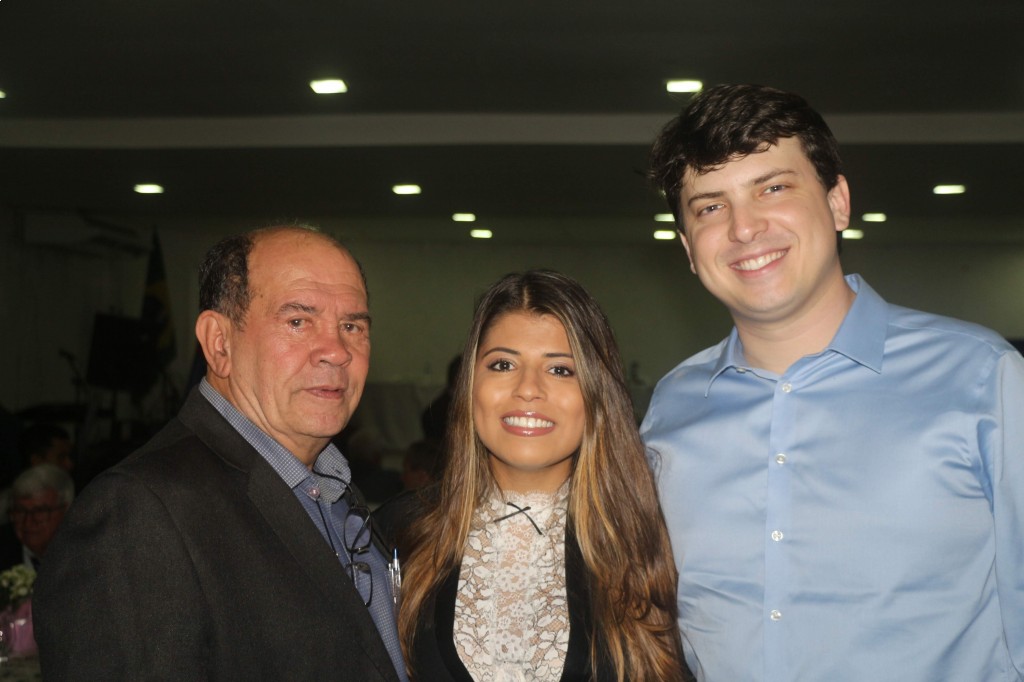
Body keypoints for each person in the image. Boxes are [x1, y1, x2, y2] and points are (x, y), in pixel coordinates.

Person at [642, 83, 1024, 680]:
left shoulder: (981, 378)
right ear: (690, 249)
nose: (745, 228)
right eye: (710, 207)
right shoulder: (672, 409)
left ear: (838, 202)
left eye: (773, 188)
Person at [34, 225, 408, 681]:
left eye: (352, 326)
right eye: (298, 321)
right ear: (219, 343)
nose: (337, 351)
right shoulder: (138, 514)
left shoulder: (333, 492)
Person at [387, 270, 690, 681]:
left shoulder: (656, 541)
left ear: (597, 395)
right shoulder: (396, 534)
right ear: (469, 385)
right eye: (503, 364)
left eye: (560, 370)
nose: (528, 389)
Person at [0, 464, 74, 570]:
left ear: (66, 511)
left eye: (40, 511)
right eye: (20, 511)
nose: (28, 522)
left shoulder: (85, 554)